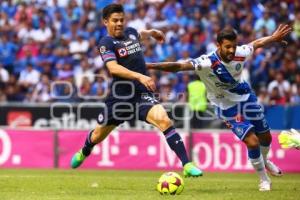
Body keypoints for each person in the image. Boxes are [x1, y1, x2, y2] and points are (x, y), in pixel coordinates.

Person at [147, 24, 292, 191]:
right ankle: (264, 180)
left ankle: (265, 161)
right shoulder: (206, 62)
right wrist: (150, 66)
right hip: (226, 107)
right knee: (252, 142)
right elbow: (179, 66)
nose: (232, 50)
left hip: (246, 98)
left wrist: (273, 38)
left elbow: (256, 43)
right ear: (218, 45)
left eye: (234, 46)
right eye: (227, 47)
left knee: (266, 137)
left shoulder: (240, 53)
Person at [70, 4, 202, 177]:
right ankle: (85, 150)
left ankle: (187, 164)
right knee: (97, 135)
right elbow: (113, 68)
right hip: (119, 98)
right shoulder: (106, 43)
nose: (119, 24)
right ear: (105, 22)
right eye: (115, 20)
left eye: (121, 20)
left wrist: (153, 32)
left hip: (141, 94)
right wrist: (140, 76)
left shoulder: (131, 32)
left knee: (164, 120)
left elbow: (141, 34)